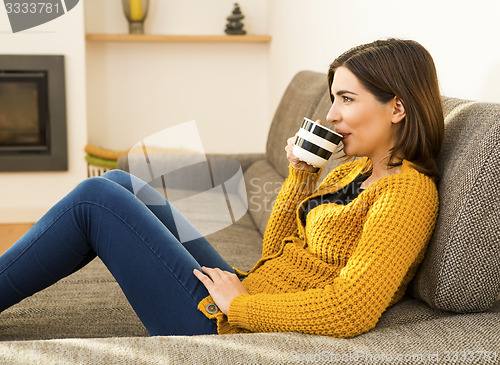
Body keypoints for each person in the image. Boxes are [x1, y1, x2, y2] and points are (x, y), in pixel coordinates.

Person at [0, 38, 444, 338]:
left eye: (346, 98)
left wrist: (239, 307)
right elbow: (276, 252)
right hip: (249, 290)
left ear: (398, 107)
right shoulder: (354, 170)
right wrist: (301, 174)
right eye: (333, 99)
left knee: (96, 199)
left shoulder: (406, 194)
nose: (331, 115)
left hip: (227, 324)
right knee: (120, 183)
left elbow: (352, 309)